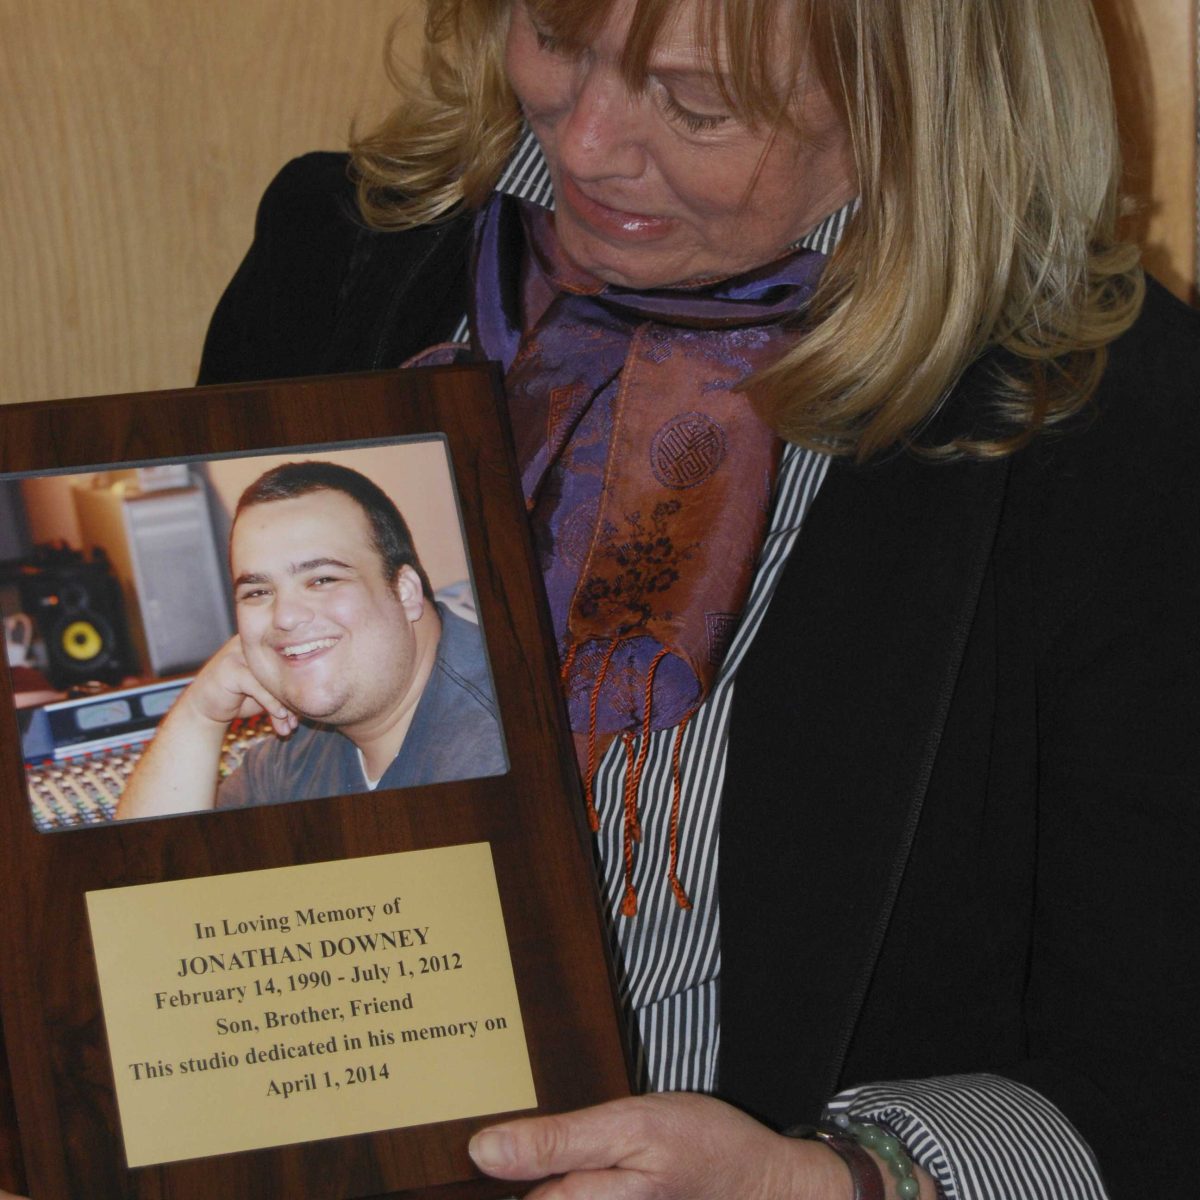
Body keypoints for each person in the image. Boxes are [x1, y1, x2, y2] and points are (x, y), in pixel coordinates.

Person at [2, 0, 1197, 1197]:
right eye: (560, 43)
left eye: (701, 103)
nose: (585, 147)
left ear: (915, 99)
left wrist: (846, 1180)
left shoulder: (1107, 421)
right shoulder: (342, 259)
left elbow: (1153, 1075)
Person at [116, 460, 506, 819]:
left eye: (322, 580)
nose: (284, 616)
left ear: (404, 591)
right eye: (257, 592)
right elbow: (150, 874)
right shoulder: (302, 746)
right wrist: (200, 714)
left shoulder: (493, 751)